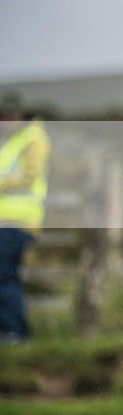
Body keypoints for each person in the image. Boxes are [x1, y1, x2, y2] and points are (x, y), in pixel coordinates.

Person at [0, 93, 51, 343]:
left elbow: (30, 176)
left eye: (11, 115)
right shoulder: (9, 140)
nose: (6, 119)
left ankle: (14, 332)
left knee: (4, 274)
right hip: (5, 220)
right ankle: (15, 331)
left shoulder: (33, 138)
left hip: (18, 220)